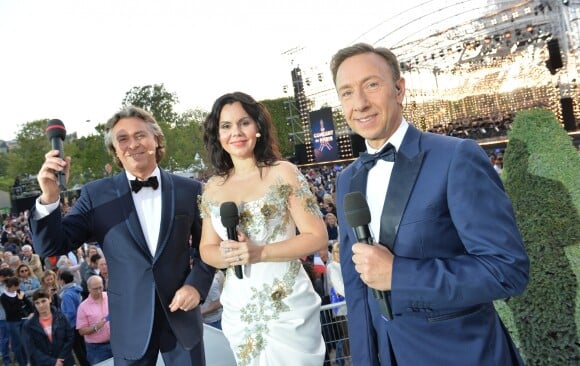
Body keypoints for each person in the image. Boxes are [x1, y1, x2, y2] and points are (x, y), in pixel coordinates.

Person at [330, 43, 530, 365]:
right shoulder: (347, 180)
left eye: (371, 85)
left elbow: (507, 269)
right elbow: (357, 290)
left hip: (462, 354)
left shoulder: (455, 157)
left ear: (399, 89)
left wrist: (399, 274)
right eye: (347, 92)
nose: (361, 104)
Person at [29, 105, 215, 365]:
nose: (133, 144)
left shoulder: (190, 189)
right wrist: (49, 197)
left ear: (157, 139)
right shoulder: (96, 194)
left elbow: (209, 247)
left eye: (140, 135)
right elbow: (52, 246)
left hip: (182, 318)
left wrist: (196, 285)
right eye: (123, 139)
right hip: (129, 323)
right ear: (115, 150)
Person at [199, 92, 327, 365]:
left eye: (244, 122)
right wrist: (229, 254)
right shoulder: (213, 187)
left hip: (287, 304)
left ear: (258, 127)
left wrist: (258, 252)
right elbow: (206, 250)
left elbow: (317, 236)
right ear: (217, 134)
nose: (236, 132)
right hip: (240, 307)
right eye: (226, 126)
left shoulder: (284, 172)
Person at [21, 288, 75, 366]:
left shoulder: (61, 317)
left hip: (65, 361)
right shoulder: (29, 325)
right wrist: (52, 362)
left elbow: (70, 337)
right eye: (37, 303)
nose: (41, 305)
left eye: (43, 301)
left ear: (49, 299)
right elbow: (31, 349)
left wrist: (61, 358)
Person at [76, 276, 112, 364]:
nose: (99, 291)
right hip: (97, 349)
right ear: (88, 288)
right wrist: (96, 327)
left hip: (115, 343)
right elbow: (81, 331)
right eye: (95, 289)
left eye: (100, 287)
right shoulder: (83, 307)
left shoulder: (109, 297)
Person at [58, 270, 89, 366]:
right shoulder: (76, 289)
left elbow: (70, 312)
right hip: (80, 323)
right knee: (83, 348)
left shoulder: (67, 294)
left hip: (72, 326)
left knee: (79, 351)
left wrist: (62, 322)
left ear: (62, 281)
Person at [0, 276, 33, 366]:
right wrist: (19, 299)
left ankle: (28, 362)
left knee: (25, 342)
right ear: (13, 286)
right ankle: (22, 363)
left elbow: (28, 303)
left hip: (22, 320)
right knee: (18, 344)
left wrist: (31, 312)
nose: (19, 287)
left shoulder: (18, 292)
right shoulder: (3, 297)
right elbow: (11, 311)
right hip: (13, 322)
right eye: (18, 285)